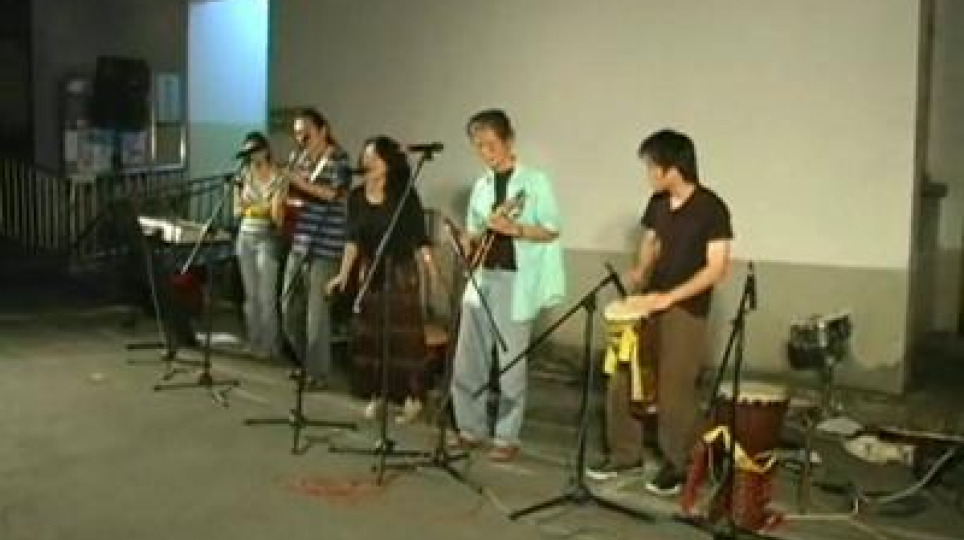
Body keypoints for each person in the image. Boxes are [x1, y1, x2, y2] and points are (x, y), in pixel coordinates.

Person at [590, 129, 733, 496]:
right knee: (624, 375)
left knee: (674, 387)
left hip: (686, 308)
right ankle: (625, 454)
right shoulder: (657, 202)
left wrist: (670, 297)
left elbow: (717, 268)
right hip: (649, 302)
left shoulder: (712, 208)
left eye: (653, 166)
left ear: (673, 167)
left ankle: (679, 463)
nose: (649, 173)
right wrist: (640, 272)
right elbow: (650, 242)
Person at [448, 109, 566, 462]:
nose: (486, 152)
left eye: (491, 144)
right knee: (468, 357)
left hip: (515, 279)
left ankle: (506, 436)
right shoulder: (481, 185)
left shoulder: (535, 182)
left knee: (511, 361)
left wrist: (516, 229)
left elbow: (551, 229)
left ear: (508, 140)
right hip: (482, 276)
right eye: (479, 146)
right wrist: (463, 240)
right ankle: (469, 428)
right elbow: (474, 231)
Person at [327, 136, 439, 424]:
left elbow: (421, 239)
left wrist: (432, 271)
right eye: (365, 158)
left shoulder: (405, 195)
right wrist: (343, 273)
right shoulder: (356, 197)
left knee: (404, 339)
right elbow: (352, 240)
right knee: (372, 337)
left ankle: (412, 397)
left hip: (401, 272)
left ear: (388, 163)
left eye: (374, 158)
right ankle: (378, 394)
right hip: (371, 273)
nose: (367, 163)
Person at [280, 108, 351, 389]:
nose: (301, 139)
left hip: (326, 246)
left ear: (322, 130)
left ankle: (318, 373)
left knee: (317, 316)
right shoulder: (301, 159)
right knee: (288, 308)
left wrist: (301, 184)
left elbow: (335, 195)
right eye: (297, 134)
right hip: (300, 242)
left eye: (306, 133)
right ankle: (305, 362)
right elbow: (295, 196)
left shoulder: (339, 159)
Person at [233, 131, 284, 360]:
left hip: (267, 238)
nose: (252, 156)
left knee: (266, 296)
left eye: (255, 151)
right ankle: (253, 341)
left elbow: (276, 215)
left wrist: (254, 207)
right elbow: (237, 210)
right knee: (250, 295)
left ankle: (270, 344)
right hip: (245, 236)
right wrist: (259, 206)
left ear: (265, 150)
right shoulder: (244, 174)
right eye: (248, 153)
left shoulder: (278, 176)